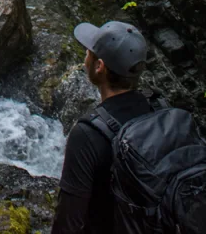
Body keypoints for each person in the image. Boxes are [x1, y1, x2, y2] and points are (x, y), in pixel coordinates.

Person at [51, 20, 151, 234]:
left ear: (99, 67)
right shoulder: (160, 112)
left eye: (89, 52)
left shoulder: (87, 135)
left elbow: (68, 224)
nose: (85, 57)